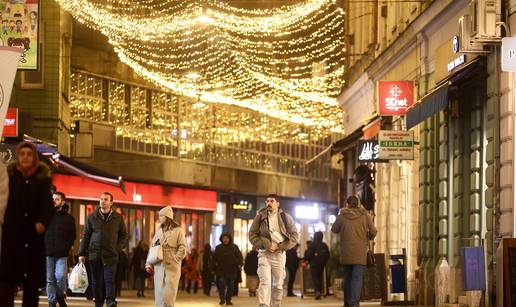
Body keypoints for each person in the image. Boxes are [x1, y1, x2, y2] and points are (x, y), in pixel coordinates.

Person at [0, 142, 55, 307]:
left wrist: (42, 223)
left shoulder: (42, 179)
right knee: (6, 281)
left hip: (32, 239)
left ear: (34, 157)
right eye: (22, 153)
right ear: (18, 156)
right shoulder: (9, 176)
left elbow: (47, 206)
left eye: (29, 154)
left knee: (31, 286)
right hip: (12, 238)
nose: (25, 157)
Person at [78, 192, 128, 307]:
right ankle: (98, 303)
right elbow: (85, 236)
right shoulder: (92, 217)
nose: (103, 201)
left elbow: (124, 236)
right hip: (95, 254)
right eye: (101, 199)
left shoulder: (118, 218)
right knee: (96, 281)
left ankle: (110, 301)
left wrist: (117, 248)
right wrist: (81, 253)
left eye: (106, 199)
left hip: (111, 255)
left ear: (111, 203)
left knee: (109, 280)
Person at [249, 194, 299, 307]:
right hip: (264, 253)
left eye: (272, 201)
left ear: (277, 203)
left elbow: (295, 236)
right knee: (264, 281)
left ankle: (275, 304)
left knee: (278, 284)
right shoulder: (260, 217)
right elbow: (252, 235)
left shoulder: (286, 217)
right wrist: (263, 245)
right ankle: (263, 304)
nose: (269, 203)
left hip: (279, 254)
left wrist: (282, 247)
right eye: (267, 201)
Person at [331, 195, 377, 307]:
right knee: (357, 278)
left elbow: (334, 229)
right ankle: (354, 303)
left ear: (347, 204)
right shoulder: (365, 216)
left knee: (347, 278)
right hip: (360, 253)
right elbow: (374, 231)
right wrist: (368, 237)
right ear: (359, 204)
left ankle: (347, 303)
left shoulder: (342, 216)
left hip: (346, 253)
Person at [145, 206, 186, 307]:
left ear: (167, 216)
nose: (159, 218)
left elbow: (182, 247)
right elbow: (153, 247)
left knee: (169, 291)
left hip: (172, 264)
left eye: (161, 216)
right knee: (159, 291)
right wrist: (148, 263)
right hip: (159, 264)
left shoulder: (178, 230)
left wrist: (176, 259)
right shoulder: (159, 231)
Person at [45, 192, 76, 307]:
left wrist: (66, 247)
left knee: (61, 276)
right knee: (50, 279)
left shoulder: (69, 218)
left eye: (57, 199)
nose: (54, 201)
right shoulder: (46, 216)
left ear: (63, 202)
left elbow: (72, 235)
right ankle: (52, 301)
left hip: (62, 253)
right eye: (53, 199)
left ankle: (59, 296)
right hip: (48, 252)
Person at [213, 233, 243, 306]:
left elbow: (240, 257)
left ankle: (228, 300)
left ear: (229, 239)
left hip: (231, 270)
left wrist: (239, 264)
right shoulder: (218, 248)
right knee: (221, 286)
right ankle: (222, 300)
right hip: (221, 270)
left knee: (231, 286)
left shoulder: (234, 247)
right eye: (224, 238)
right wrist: (213, 268)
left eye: (227, 238)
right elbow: (214, 259)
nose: (225, 239)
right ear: (222, 239)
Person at [304, 231, 330, 300]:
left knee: (315, 278)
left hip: (314, 264)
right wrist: (324, 262)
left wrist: (306, 260)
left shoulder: (312, 244)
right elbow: (328, 255)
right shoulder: (324, 245)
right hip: (322, 264)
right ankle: (322, 291)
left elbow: (309, 255)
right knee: (320, 278)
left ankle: (318, 292)